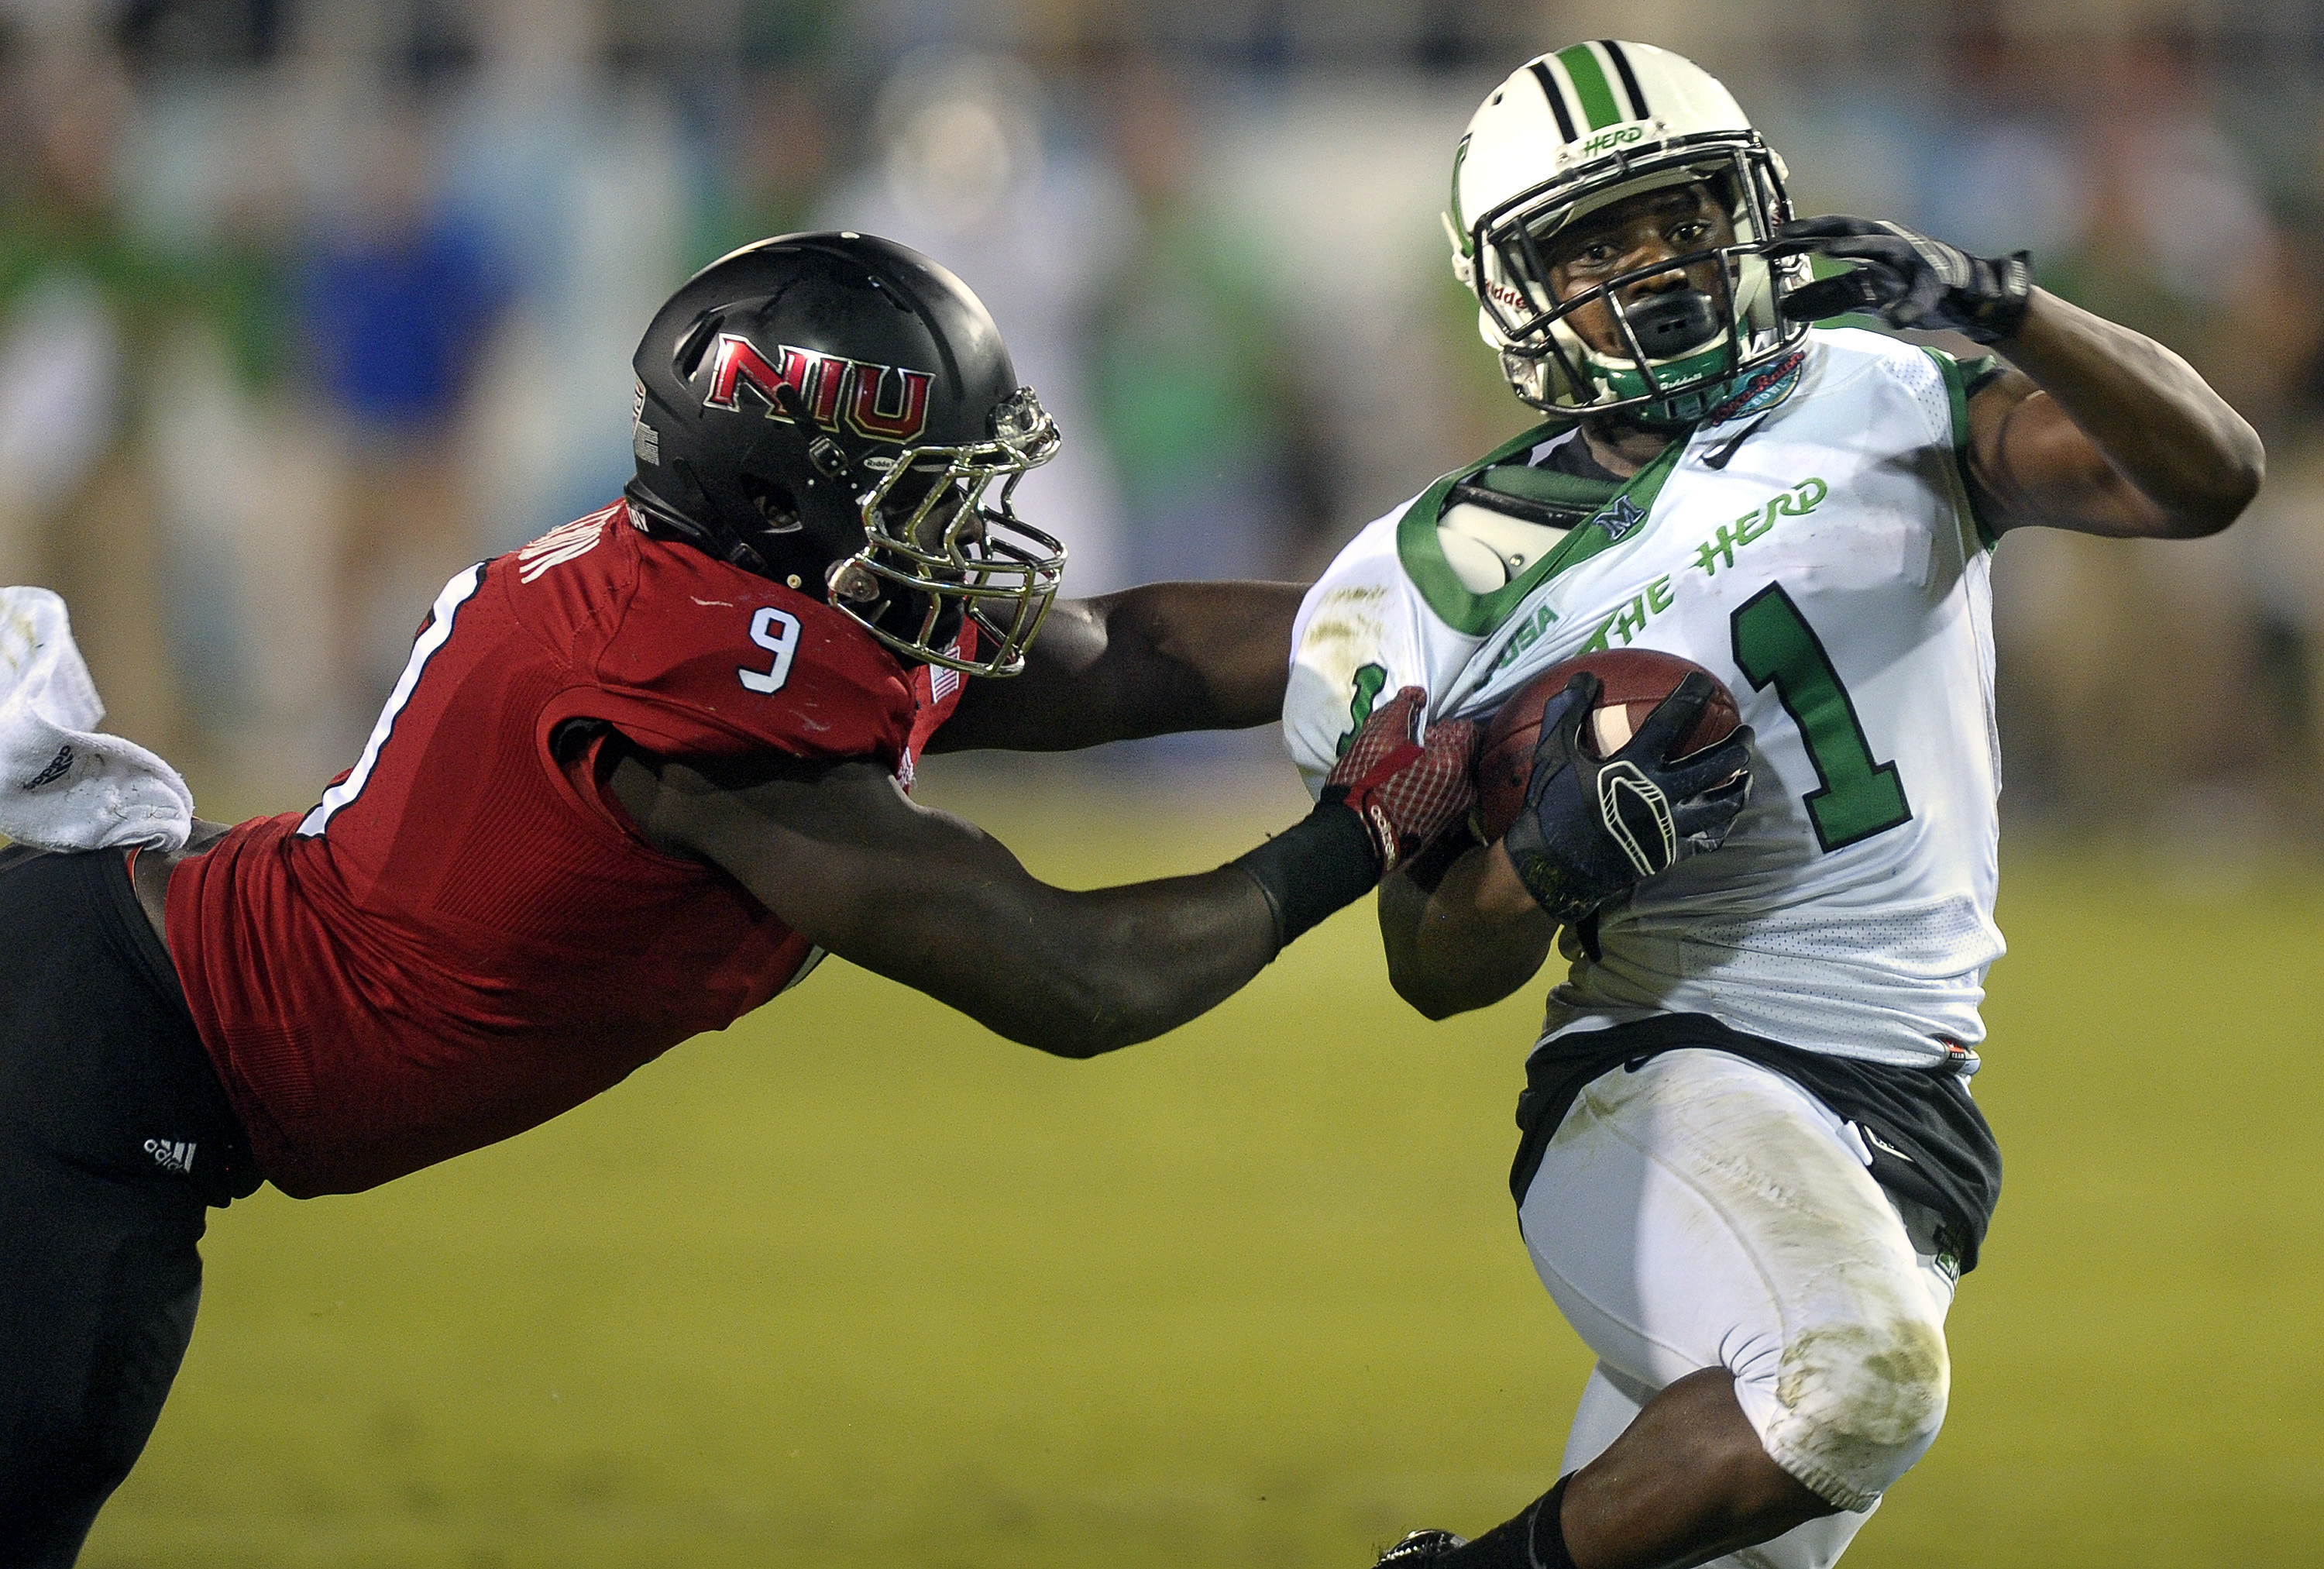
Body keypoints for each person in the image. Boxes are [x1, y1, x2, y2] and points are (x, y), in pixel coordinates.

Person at [0, 232, 1480, 1567]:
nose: (967, 535)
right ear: (784, 487)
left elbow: (1129, 658)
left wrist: (1430, 630)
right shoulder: (685, 692)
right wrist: (1358, 834)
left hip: (107, 1004)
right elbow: (1077, 976)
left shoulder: (733, 592)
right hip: (94, 1068)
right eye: (927, 491)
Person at [1274, 42, 2262, 1569]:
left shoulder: (1885, 386)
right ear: (1514, 285)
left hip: (1916, 1103)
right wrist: (1546, 854)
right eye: (1593, 241)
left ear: (1754, 211)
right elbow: (1428, 962)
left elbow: (2209, 477)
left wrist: (2006, 307)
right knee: (1858, 1377)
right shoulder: (1434, 570)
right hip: (1665, 1079)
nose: (1651, 265)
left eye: (1675, 216)